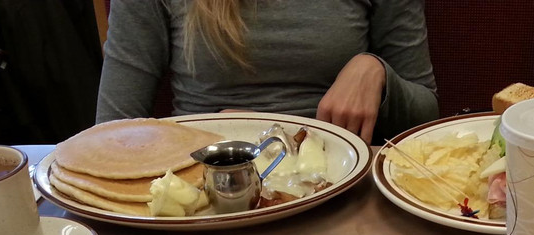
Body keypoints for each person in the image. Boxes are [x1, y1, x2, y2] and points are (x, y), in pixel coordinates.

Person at [96, 0, 439, 144]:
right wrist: (212, 134)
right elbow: (109, 135)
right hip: (208, 193)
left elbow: (427, 116)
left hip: (342, 188)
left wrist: (375, 72)